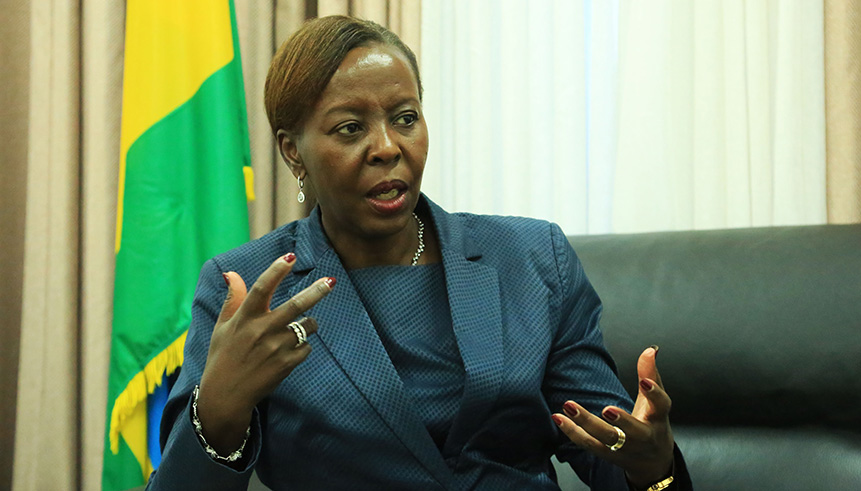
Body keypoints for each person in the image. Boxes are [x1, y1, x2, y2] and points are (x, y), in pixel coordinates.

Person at [146, 15, 692, 491]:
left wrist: (653, 467)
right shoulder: (244, 287)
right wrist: (216, 412)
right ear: (294, 152)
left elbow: (615, 450)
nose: (387, 147)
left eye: (405, 118)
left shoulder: (530, 259)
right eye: (350, 128)